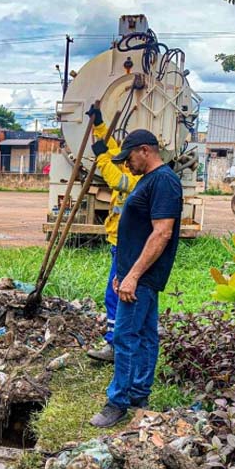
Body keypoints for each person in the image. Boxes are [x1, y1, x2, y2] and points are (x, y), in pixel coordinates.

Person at [89, 129, 183, 428]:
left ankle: (117, 403)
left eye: (128, 157)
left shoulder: (164, 181)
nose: (126, 164)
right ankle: (139, 396)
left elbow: (162, 232)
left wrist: (133, 276)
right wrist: (122, 272)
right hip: (134, 274)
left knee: (125, 337)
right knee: (144, 335)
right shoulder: (150, 180)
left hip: (141, 278)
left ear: (145, 150)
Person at [85, 105, 142, 362]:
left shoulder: (139, 180)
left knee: (115, 293)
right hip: (120, 242)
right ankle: (122, 341)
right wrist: (99, 125)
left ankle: (115, 345)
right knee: (119, 294)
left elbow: (117, 180)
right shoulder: (130, 166)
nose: (126, 161)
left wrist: (101, 159)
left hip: (127, 244)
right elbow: (114, 151)